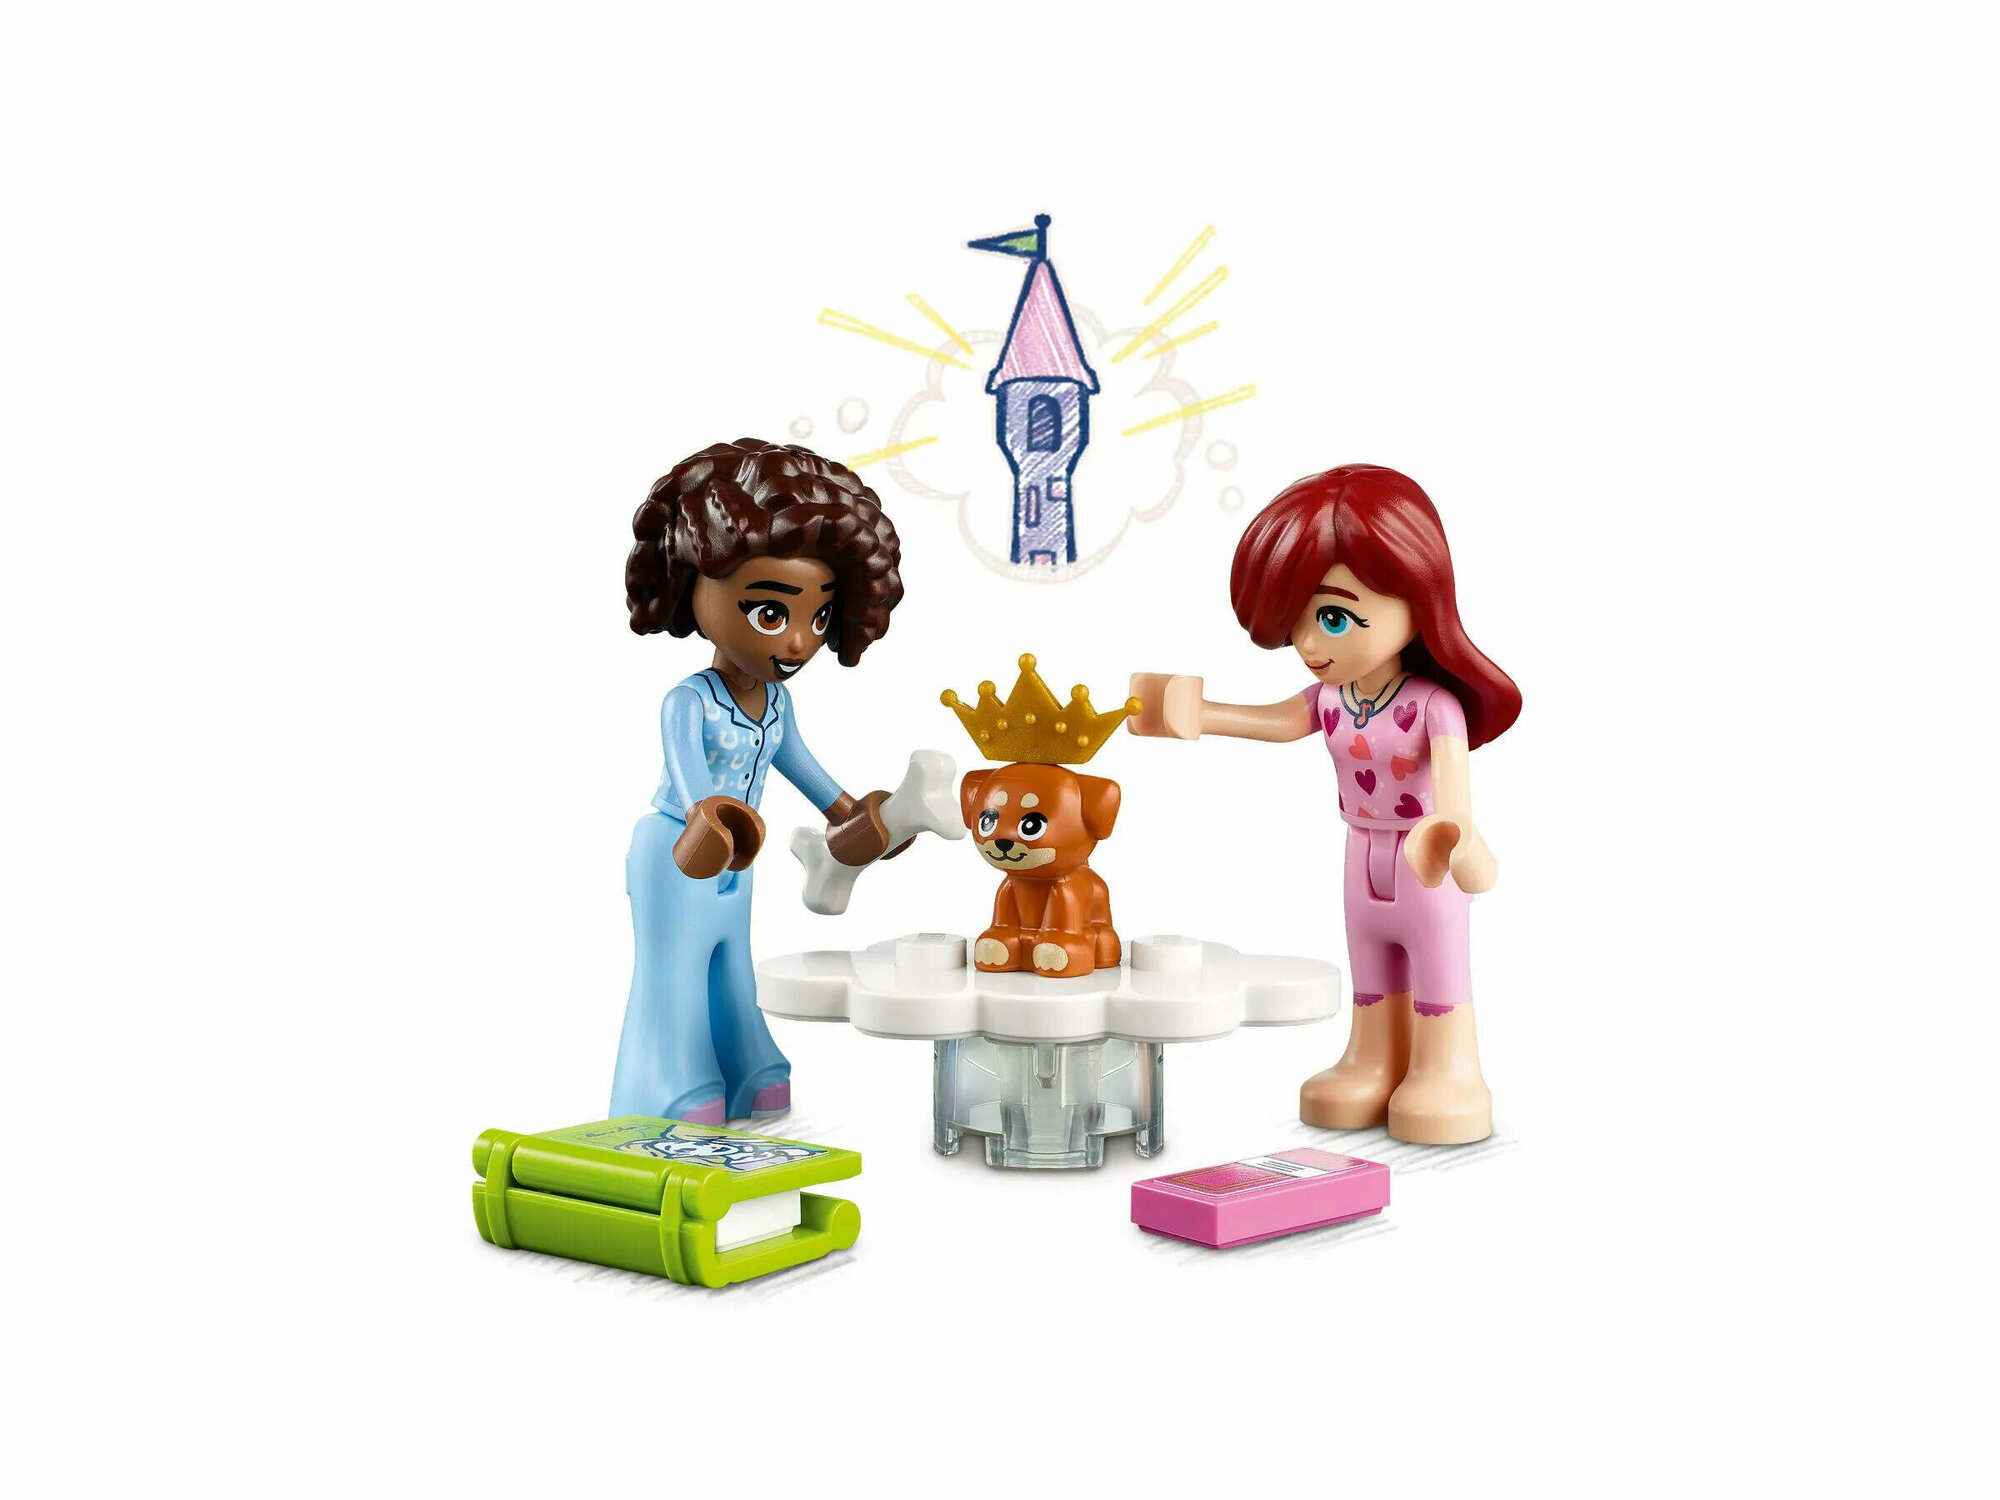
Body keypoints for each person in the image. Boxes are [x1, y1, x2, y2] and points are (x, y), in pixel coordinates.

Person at [1129, 465, 1520, 1144]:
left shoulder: (1435, 705)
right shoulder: (1332, 698)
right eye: (1297, 622)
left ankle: (1448, 1069)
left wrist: (1455, 836)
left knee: (1437, 961)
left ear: (1417, 592)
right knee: (1370, 957)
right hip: (1359, 846)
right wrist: (1198, 714)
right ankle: (1373, 1059)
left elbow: (1456, 801)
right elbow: (1277, 721)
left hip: (1422, 856)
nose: (1310, 644)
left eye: (1334, 617)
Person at [611, 438, 906, 1123]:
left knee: (730, 961)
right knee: (674, 969)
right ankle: (671, 1080)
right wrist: (707, 819)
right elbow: (691, 785)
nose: (799, 641)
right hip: (679, 849)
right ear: (695, 589)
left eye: (818, 617)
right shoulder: (689, 700)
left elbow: (802, 767)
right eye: (771, 613)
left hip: (739, 855)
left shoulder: (777, 703)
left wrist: (852, 813)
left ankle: (747, 1064)